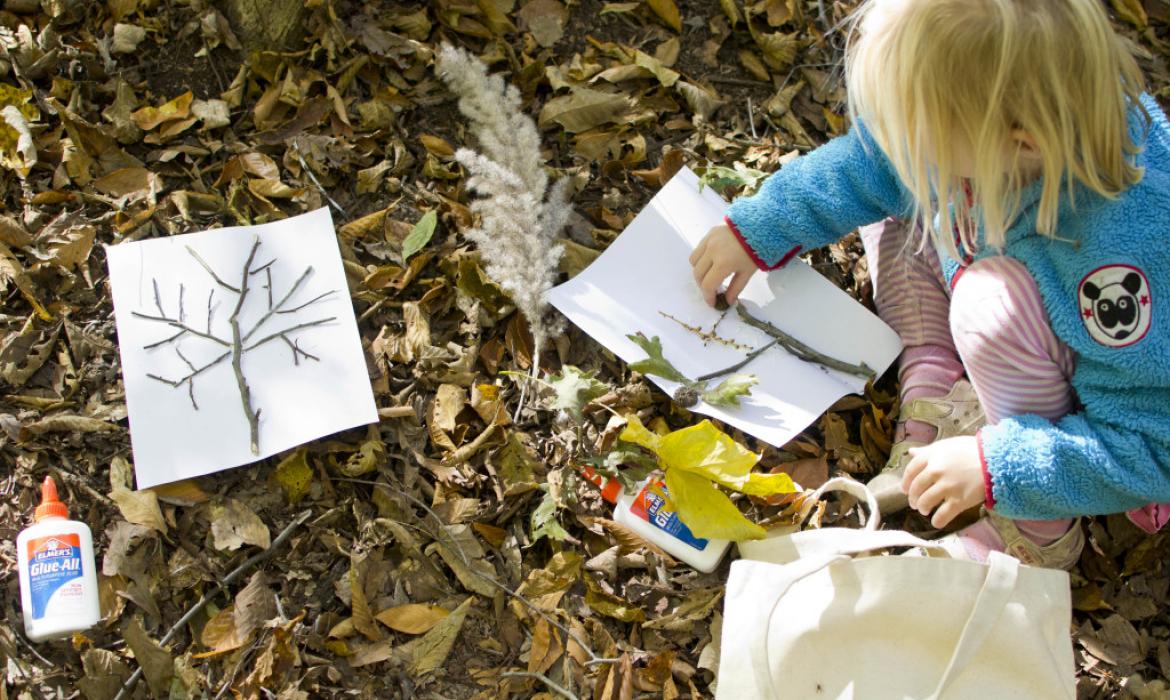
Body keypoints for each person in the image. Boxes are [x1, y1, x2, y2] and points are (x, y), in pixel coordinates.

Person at [689, 0, 1170, 569]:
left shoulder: (1120, 255)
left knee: (986, 305)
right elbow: (871, 167)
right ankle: (937, 381)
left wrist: (1002, 465)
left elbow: (1153, 448)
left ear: (1022, 142)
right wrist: (764, 226)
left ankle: (1039, 530)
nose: (896, 142)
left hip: (1089, 401)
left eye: (913, 128)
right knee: (894, 196)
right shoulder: (1000, 122)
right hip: (1002, 263)